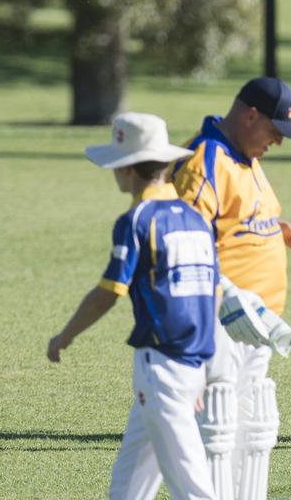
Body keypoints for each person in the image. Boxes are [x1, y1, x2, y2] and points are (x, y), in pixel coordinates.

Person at [48, 112, 218, 500]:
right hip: (190, 364)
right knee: (128, 484)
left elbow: (108, 292)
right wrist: (202, 368)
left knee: (192, 487)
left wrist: (64, 336)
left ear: (125, 171)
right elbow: (211, 294)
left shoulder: (137, 220)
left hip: (162, 368)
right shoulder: (195, 219)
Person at [172, 77, 291, 500]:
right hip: (219, 322)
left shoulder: (245, 155)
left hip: (255, 325)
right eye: (275, 131)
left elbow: (241, 220)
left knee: (250, 429)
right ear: (251, 115)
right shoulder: (204, 161)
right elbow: (184, 246)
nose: (278, 142)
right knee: (218, 430)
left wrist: (280, 231)